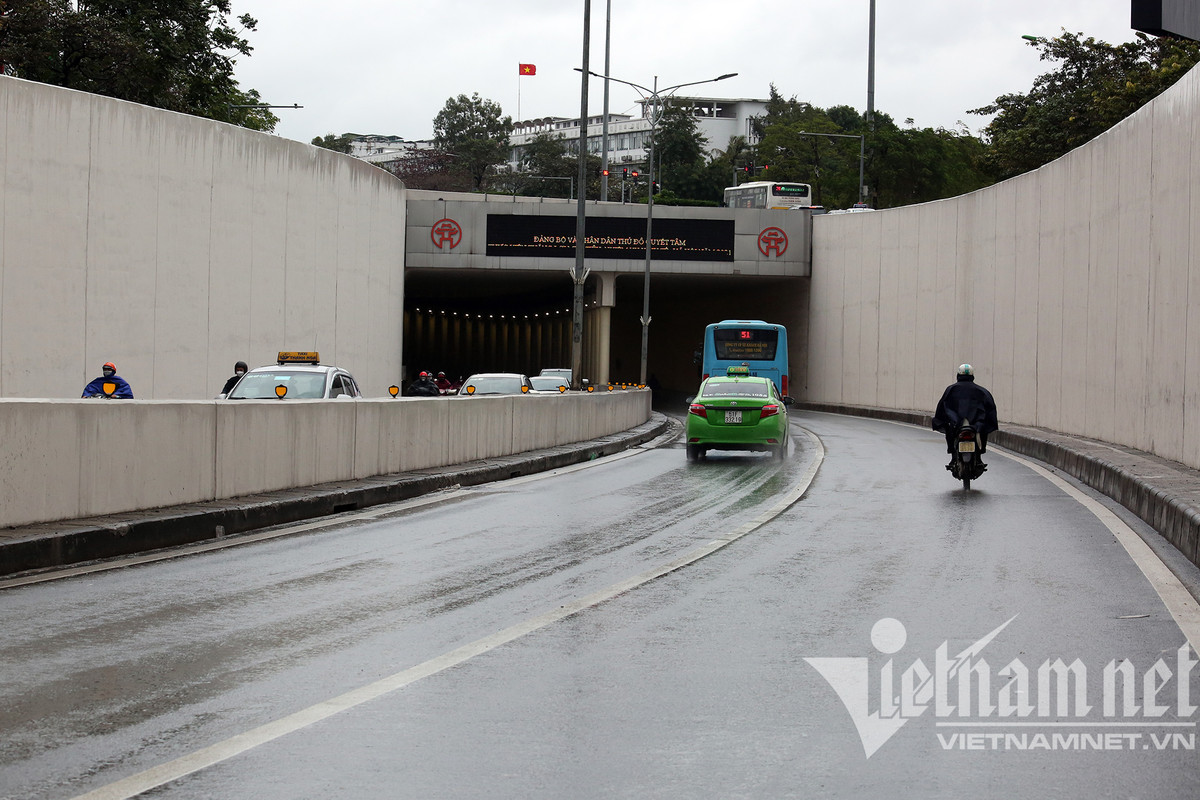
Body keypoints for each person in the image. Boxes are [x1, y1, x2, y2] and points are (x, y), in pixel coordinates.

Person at [932, 363, 998, 465]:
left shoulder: (951, 389)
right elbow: (990, 409)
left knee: (949, 432)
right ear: (972, 376)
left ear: (958, 375)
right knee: (983, 430)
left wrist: (941, 420)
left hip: (956, 424)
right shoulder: (982, 391)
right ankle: (980, 454)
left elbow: (942, 407)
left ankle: (953, 456)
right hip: (976, 425)